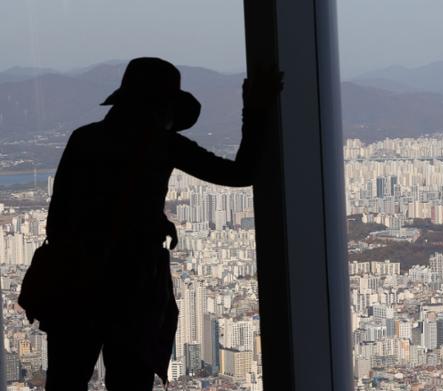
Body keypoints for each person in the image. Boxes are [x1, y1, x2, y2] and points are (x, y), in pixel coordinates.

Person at [38, 57, 282, 390]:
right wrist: (255, 110)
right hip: (132, 287)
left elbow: (59, 218)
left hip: (72, 284)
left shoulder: (84, 139)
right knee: (130, 382)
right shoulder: (161, 143)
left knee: (66, 380)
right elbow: (240, 174)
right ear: (161, 108)